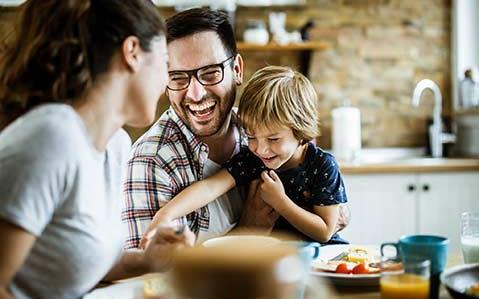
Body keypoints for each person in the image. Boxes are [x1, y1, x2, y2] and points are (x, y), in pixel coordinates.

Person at [0, 1, 194, 299]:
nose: (167, 80)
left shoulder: (115, 145)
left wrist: (148, 259)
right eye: (166, 62)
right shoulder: (51, 138)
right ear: (132, 52)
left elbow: (80, 262)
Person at [122, 8, 281, 249]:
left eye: (210, 74)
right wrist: (250, 230)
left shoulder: (263, 134)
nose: (195, 94)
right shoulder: (151, 161)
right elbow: (153, 279)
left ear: (237, 70)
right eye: (178, 77)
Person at [141, 65, 349, 245]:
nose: (261, 149)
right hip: (277, 258)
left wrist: (280, 202)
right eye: (251, 137)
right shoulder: (253, 160)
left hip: (322, 258)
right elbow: (209, 187)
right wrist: (165, 215)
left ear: (301, 131)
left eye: (274, 139)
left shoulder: (322, 165)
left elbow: (324, 231)